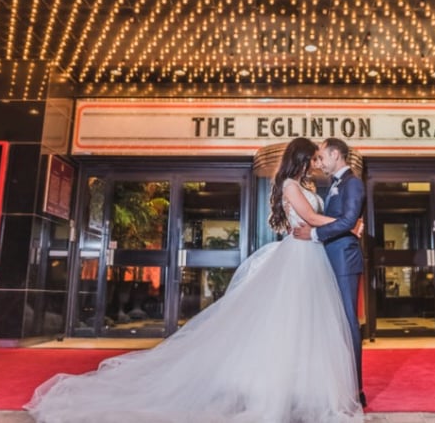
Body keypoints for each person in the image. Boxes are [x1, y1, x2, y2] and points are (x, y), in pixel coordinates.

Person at [25, 137, 364, 423]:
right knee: (288, 323)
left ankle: (304, 386)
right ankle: (278, 388)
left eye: (321, 157)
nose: (318, 162)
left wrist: (342, 223)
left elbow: (318, 218)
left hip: (312, 255)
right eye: (314, 157)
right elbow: (310, 216)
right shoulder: (290, 185)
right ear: (302, 159)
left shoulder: (309, 185)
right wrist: (349, 224)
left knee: (306, 324)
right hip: (299, 255)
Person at [293, 137, 367, 408]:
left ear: (336, 154)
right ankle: (337, 384)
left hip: (344, 260)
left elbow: (348, 220)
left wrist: (314, 234)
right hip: (329, 258)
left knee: (348, 322)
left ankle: (355, 390)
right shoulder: (334, 184)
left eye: (322, 156)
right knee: (334, 323)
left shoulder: (352, 183)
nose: (320, 162)